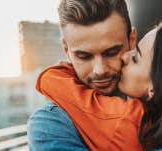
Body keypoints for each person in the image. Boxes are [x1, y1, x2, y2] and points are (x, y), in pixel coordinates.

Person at [36, 22, 162, 151]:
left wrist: (71, 64)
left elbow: (52, 81)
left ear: (155, 86)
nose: (124, 56)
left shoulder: (133, 124)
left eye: (136, 57)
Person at [28, 0, 136, 150]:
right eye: (84, 56)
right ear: (67, 51)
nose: (100, 70)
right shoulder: (50, 123)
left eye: (111, 53)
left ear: (131, 40)